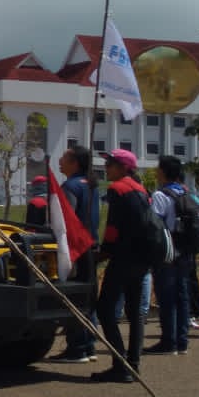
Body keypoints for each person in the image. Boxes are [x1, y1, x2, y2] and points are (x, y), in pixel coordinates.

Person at [89, 148, 156, 383]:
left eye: (111, 164)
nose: (107, 168)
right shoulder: (141, 190)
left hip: (124, 257)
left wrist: (103, 252)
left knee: (105, 309)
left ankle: (121, 364)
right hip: (143, 258)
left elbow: (113, 227)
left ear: (124, 167)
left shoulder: (118, 189)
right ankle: (134, 364)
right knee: (135, 312)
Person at [48, 146, 100, 364]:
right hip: (91, 245)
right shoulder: (91, 185)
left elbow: (66, 219)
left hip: (76, 248)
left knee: (74, 296)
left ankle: (77, 347)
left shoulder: (70, 186)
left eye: (65, 158)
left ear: (75, 163)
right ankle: (88, 344)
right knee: (88, 297)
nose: (60, 160)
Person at [146, 155, 194, 355]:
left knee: (167, 298)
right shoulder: (187, 193)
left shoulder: (160, 195)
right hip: (185, 251)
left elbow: (154, 224)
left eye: (158, 168)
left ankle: (168, 342)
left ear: (163, 172)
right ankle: (182, 340)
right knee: (182, 296)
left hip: (167, 252)